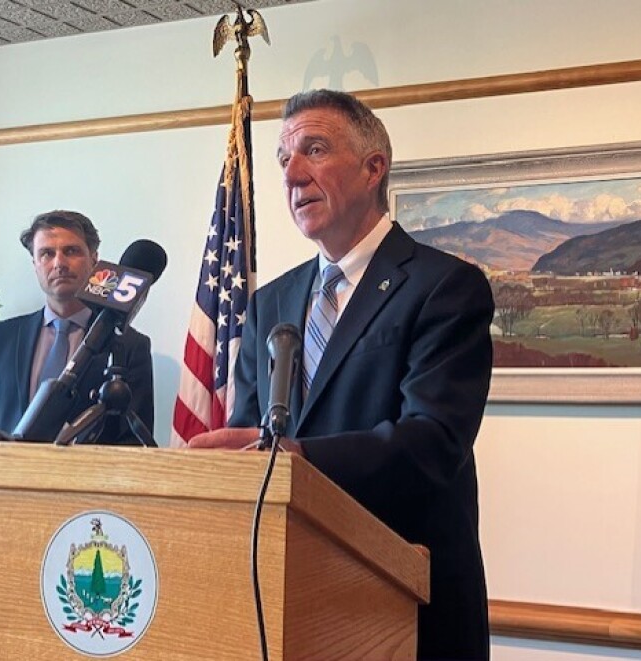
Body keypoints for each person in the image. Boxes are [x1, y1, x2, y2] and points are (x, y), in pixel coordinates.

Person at [187, 90, 494, 660]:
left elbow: (432, 442)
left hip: (405, 601)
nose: (292, 175)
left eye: (315, 150)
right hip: (287, 603)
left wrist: (303, 458)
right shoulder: (271, 303)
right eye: (283, 160)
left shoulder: (444, 287)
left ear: (374, 167)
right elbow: (254, 441)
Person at [0, 210, 154, 445]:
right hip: (7, 477)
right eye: (47, 254)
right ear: (35, 265)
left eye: (71, 251)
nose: (59, 263)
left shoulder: (129, 344)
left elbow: (133, 442)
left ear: (94, 260)